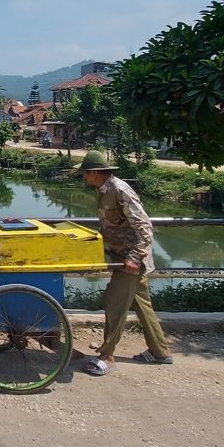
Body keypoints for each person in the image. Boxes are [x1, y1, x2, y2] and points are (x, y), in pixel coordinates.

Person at [77, 150, 172, 376]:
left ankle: (107, 356)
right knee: (142, 304)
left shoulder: (119, 190)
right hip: (122, 257)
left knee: (114, 304)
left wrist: (134, 257)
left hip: (130, 261)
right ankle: (160, 352)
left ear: (95, 173)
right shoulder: (105, 191)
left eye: (85, 173)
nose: (84, 177)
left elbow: (144, 227)